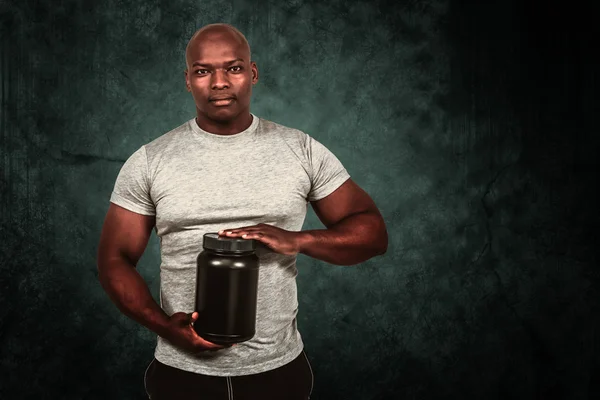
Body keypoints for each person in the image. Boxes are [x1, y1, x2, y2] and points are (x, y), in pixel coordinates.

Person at [97, 23, 388, 400]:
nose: (219, 82)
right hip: (181, 374)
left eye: (233, 68)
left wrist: (297, 240)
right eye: (203, 71)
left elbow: (373, 233)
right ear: (188, 80)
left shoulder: (300, 149)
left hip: (278, 372)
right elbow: (113, 260)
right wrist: (166, 327)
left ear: (252, 73)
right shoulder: (151, 160)